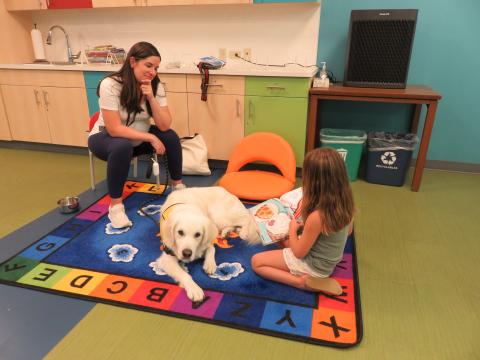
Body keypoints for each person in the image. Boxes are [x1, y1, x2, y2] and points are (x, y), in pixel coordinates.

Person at [88, 42, 185, 229]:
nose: (152, 72)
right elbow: (114, 128)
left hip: (138, 138)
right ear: (133, 61)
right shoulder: (110, 85)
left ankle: (178, 189)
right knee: (121, 145)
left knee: (171, 137)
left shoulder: (155, 86)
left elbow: (164, 125)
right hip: (105, 138)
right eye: (148, 65)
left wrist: (150, 97)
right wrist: (151, 137)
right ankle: (115, 206)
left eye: (156, 68)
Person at [251, 147, 355, 295]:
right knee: (280, 238)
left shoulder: (318, 216)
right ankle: (305, 270)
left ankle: (301, 282)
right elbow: (348, 232)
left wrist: (293, 229)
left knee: (257, 262)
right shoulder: (346, 202)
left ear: (313, 180)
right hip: (328, 260)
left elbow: (299, 253)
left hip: (314, 266)